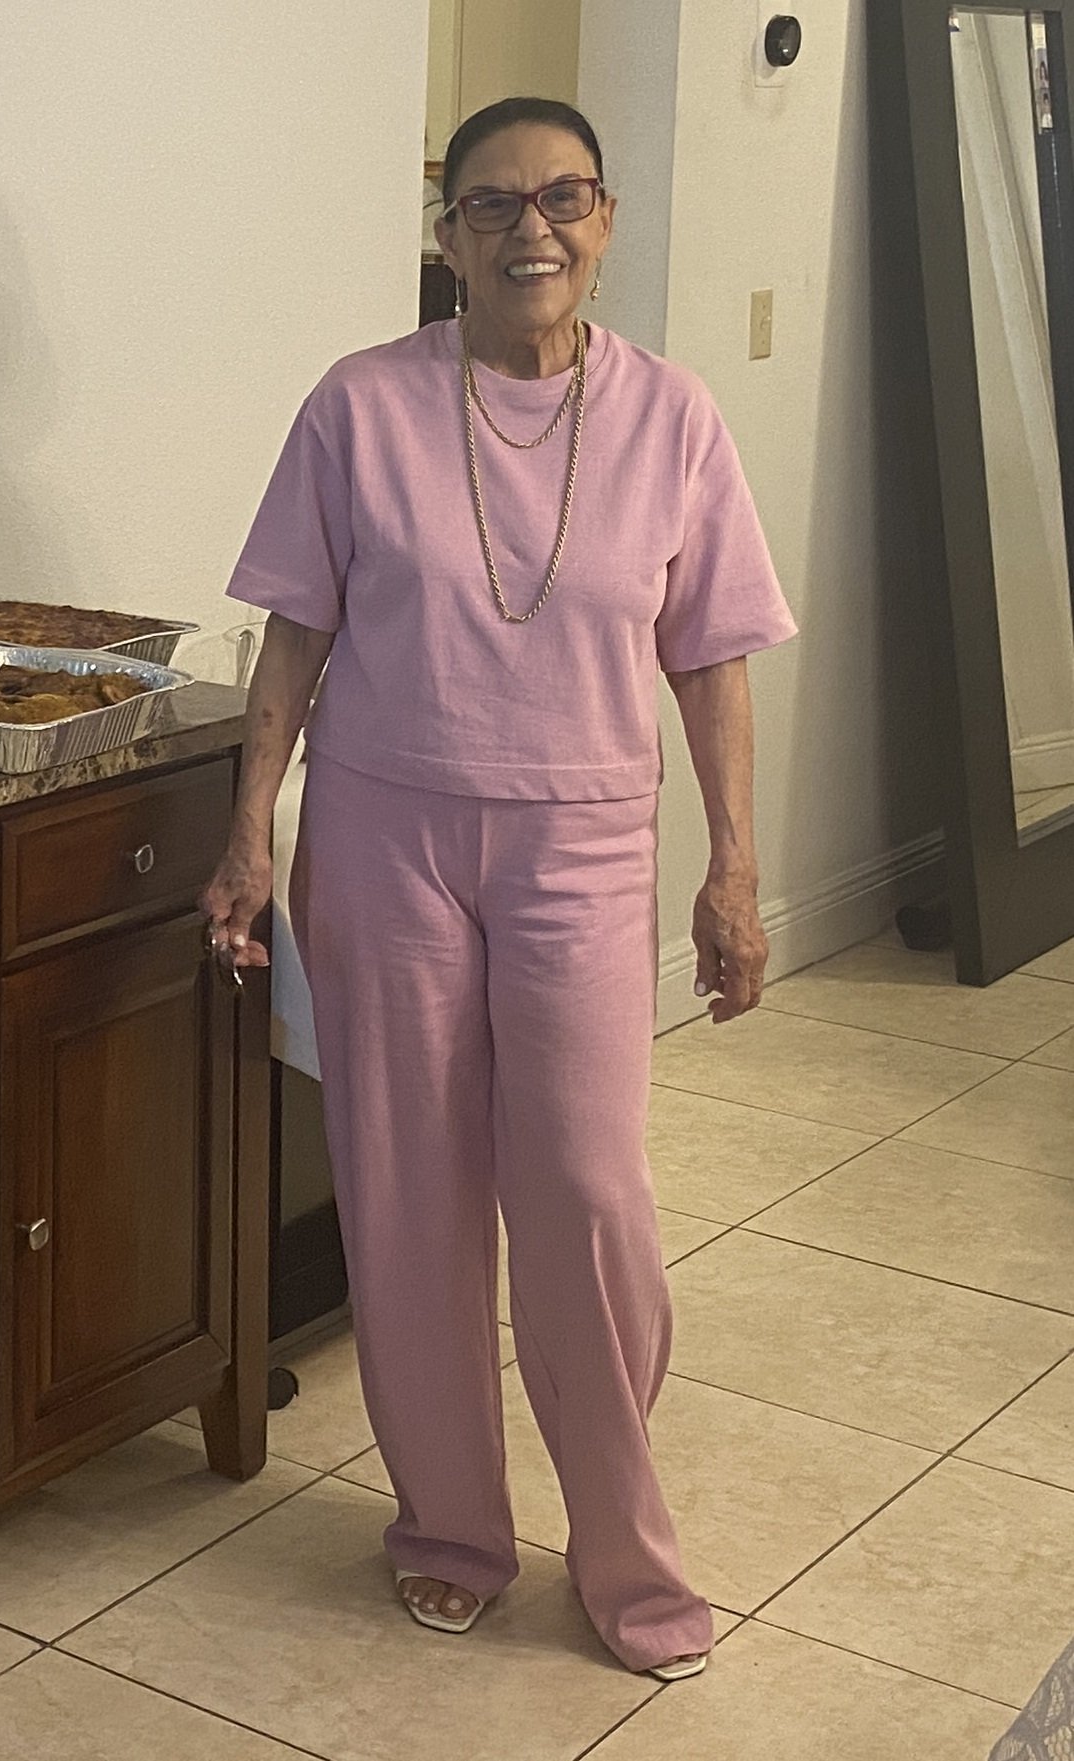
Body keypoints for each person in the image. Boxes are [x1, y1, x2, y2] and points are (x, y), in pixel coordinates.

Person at [202, 95, 796, 1682]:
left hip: (582, 847)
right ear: (447, 232)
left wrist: (735, 866)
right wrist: (250, 826)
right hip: (382, 835)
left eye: (561, 196)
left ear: (602, 222)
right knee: (405, 1190)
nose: (530, 227)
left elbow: (711, 660)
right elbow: (297, 633)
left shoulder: (673, 419)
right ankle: (450, 1527)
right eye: (491, 203)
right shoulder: (359, 406)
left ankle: (624, 1548)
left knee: (587, 1195)